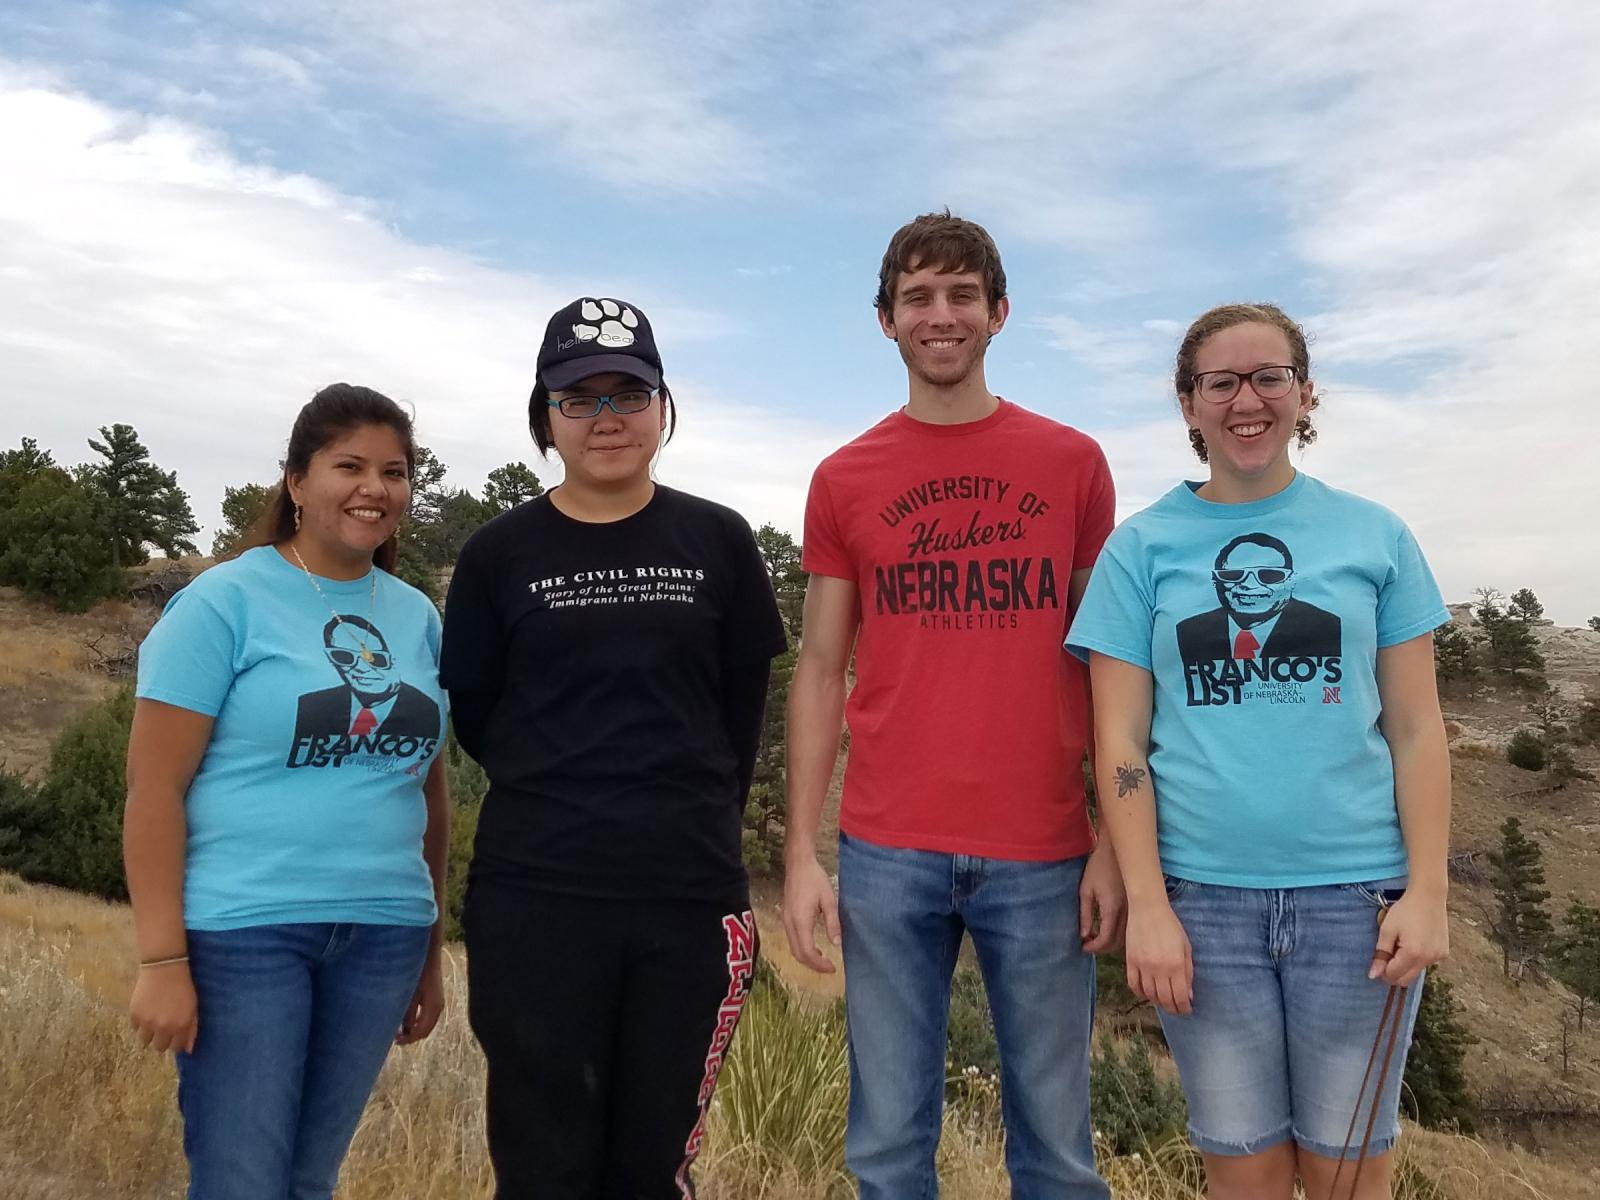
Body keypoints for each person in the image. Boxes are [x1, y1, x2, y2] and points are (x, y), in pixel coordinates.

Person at [1067, 304, 1452, 1199]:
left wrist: (1428, 890)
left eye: (1269, 377)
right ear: (1189, 403)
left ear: (1304, 393)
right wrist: (1150, 904)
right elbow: (1118, 740)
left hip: (1358, 908)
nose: (1248, 400)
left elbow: (1417, 728)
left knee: (1348, 1169)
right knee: (1245, 1172)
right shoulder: (1142, 551)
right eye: (1221, 382)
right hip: (1203, 910)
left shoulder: (1376, 538)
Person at [782, 211, 1122, 1198]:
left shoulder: (1070, 464)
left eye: (961, 294)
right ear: (884, 320)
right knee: (886, 1150)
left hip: (1047, 849)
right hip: (889, 851)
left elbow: (1109, 666)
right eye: (918, 297)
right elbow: (817, 668)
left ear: (999, 312)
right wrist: (800, 853)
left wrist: (1113, 837)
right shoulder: (844, 479)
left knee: (1056, 1154)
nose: (941, 315)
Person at [440, 296, 787, 1198]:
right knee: (542, 1163)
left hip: (686, 897)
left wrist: (683, 815)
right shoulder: (496, 554)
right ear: (544, 415)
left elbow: (739, 711)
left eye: (627, 394)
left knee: (654, 1165)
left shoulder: (719, 540)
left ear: (663, 406)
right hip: (535, 897)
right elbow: (476, 712)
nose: (606, 419)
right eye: (579, 398)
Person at [125, 383, 450, 1200]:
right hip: (245, 934)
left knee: (310, 1179)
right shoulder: (224, 601)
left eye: (395, 470)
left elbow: (430, 795)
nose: (375, 488)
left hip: (384, 934)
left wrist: (431, 954)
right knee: (241, 1180)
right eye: (349, 466)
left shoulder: (417, 617)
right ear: (297, 482)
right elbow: (153, 789)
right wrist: (162, 958)